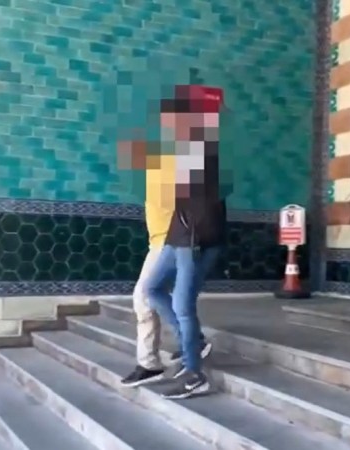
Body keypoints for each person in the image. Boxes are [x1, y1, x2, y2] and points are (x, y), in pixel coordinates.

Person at [118, 98, 213, 388]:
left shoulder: (190, 158)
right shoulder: (159, 158)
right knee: (152, 292)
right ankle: (192, 341)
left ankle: (149, 363)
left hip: (172, 239)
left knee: (144, 296)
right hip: (160, 240)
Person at [144, 84, 227, 399]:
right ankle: (193, 343)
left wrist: (193, 240)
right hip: (177, 235)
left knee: (182, 304)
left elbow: (207, 203)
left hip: (194, 240)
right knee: (152, 289)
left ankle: (194, 375)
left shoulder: (203, 148)